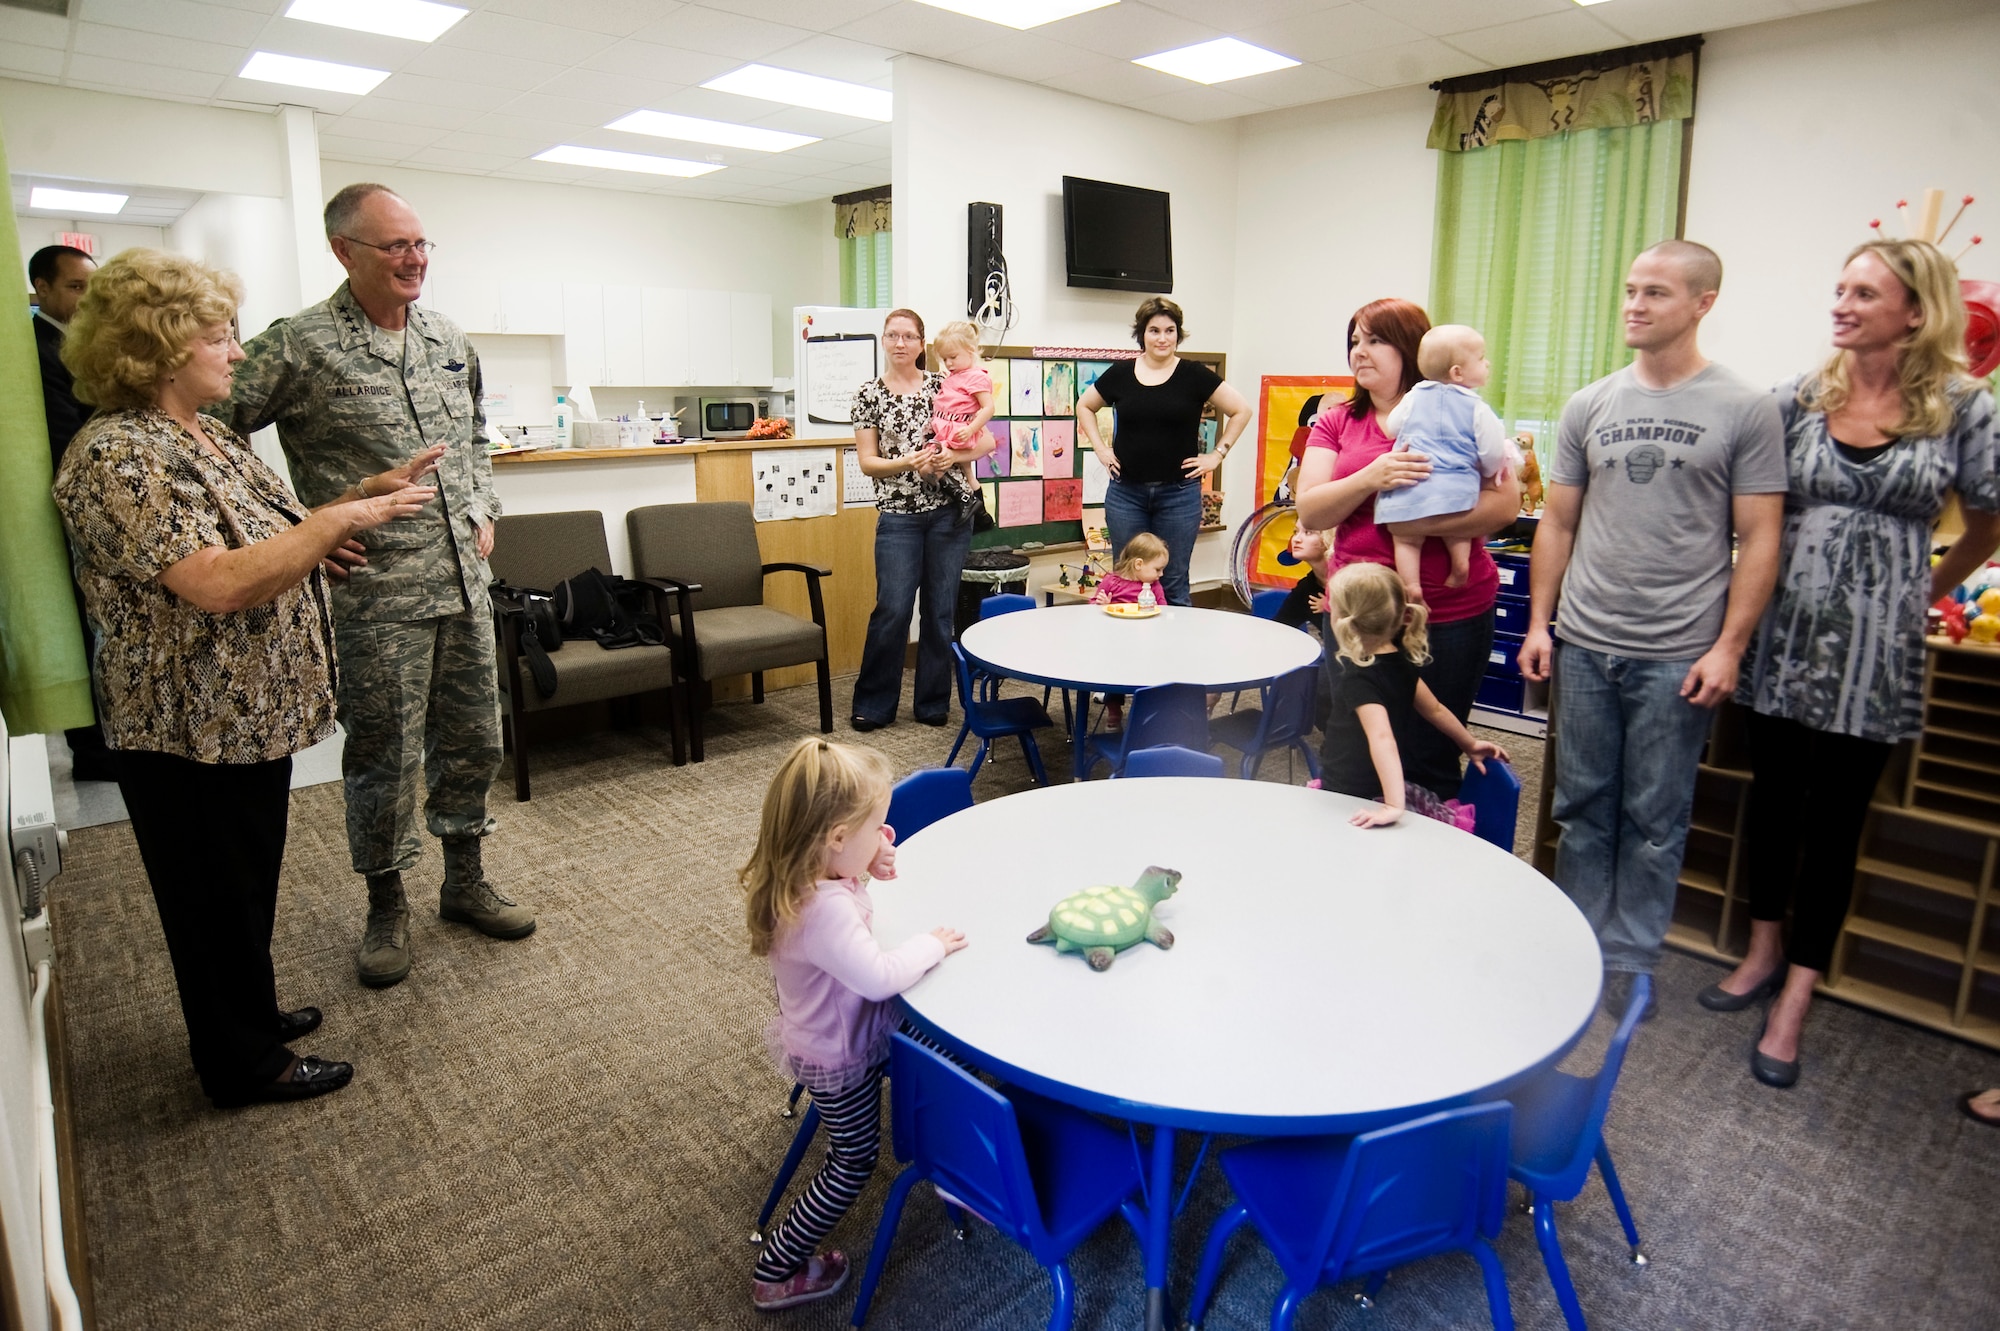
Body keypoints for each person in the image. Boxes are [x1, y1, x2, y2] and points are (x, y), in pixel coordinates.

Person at [51, 248, 440, 1107]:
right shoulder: (121, 455)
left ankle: (249, 1012)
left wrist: (354, 497)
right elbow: (218, 580)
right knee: (210, 899)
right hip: (188, 726)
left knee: (244, 883)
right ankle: (242, 1062)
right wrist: (340, 519)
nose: (236, 352)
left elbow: (275, 529)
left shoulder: (208, 434)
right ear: (157, 348)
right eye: (220, 337)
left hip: (249, 719)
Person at [1707, 239, 2000, 1088]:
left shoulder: (1963, 406)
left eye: (1863, 292)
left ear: (1916, 311)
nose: (1841, 304)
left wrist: (1927, 589)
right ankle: (1762, 950)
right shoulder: (1801, 394)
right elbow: (1741, 493)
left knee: (1837, 822)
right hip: (1781, 633)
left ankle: (1799, 990)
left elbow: (1987, 520)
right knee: (1774, 802)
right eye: (1839, 289)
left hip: (1876, 653)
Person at [227, 182, 533, 991]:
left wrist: (481, 504)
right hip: (375, 596)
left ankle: (464, 881)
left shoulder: (444, 337)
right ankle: (386, 904)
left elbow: (472, 430)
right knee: (385, 756)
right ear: (344, 252)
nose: (414, 258)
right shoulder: (301, 343)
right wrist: (298, 528)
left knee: (475, 740)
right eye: (394, 246)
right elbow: (206, 431)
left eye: (420, 243)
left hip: (463, 583)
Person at [1518, 240, 1788, 1021]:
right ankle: (1575, 948)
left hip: (1678, 650)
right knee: (1581, 804)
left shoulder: (1744, 407)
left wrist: (1729, 645)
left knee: (1654, 818)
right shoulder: (1591, 403)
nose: (1634, 304)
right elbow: (1558, 522)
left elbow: (1760, 537)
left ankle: (1631, 958)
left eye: (1656, 293)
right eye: (1631, 290)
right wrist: (1541, 621)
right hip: (1587, 639)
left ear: (1702, 303)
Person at [743, 738, 967, 1310]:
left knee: (941, 1044)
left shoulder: (804, 876)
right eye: (877, 828)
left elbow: (848, 894)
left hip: (835, 1028)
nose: (885, 836)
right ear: (836, 838)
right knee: (853, 1161)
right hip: (843, 1052)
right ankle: (776, 1270)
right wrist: (930, 944)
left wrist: (869, 863)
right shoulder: (825, 911)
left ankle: (950, 1153)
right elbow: (877, 975)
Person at [1294, 299, 1522, 798]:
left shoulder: (1463, 410)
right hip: (1359, 613)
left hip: (1451, 610)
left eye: (1376, 340)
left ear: (1412, 350)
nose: (1360, 352)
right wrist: (1372, 478)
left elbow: (1505, 505)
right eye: (1354, 340)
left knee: (1432, 751)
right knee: (1352, 743)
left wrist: (1411, 522)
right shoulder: (1336, 421)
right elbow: (1311, 510)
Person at [850, 308, 995, 732]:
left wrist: (954, 455)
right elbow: (867, 462)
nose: (900, 343)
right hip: (898, 516)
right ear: (883, 340)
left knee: (939, 612)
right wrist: (906, 463)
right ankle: (874, 704)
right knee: (893, 610)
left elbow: (985, 440)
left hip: (949, 515)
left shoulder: (946, 382)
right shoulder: (868, 394)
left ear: (921, 343)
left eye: (909, 336)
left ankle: (933, 702)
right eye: (892, 335)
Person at [1077, 297, 1251, 606]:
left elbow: (1241, 410)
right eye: (1154, 330)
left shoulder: (1194, 375)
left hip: (1179, 495)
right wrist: (1101, 449)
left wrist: (1217, 454)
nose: (1162, 338)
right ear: (1142, 334)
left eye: (1170, 331)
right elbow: (1085, 406)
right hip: (1126, 492)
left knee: (1171, 580)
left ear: (1178, 334)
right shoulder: (1121, 373)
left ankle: (1173, 652)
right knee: (1126, 575)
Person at [1320, 563, 1507, 829]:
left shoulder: (1358, 676)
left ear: (1343, 619)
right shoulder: (1401, 662)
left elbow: (1382, 738)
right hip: (1375, 785)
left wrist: (1394, 805)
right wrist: (1470, 744)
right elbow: (1436, 710)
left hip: (1350, 791)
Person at [30, 243, 115, 781]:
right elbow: (65, 439)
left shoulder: (79, 346)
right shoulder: (38, 351)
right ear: (41, 288)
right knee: (80, 626)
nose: (86, 298)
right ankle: (91, 750)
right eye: (74, 286)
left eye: (92, 286)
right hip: (73, 505)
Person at [1378, 323, 1510, 601]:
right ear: (1457, 372)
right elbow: (1493, 449)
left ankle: (1411, 585)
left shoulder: (1414, 396)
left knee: (1405, 540)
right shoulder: (1476, 407)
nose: (1488, 363)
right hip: (1454, 486)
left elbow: (1392, 427)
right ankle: (1460, 567)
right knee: (1458, 530)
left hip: (1410, 487)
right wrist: (1487, 469)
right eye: (1481, 358)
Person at [928, 319, 995, 518]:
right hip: (948, 426)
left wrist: (972, 428)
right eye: (944, 359)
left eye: (953, 357)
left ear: (970, 351)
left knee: (933, 468)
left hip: (959, 430)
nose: (948, 364)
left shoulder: (976, 377)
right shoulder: (953, 375)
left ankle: (965, 501)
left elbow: (988, 407)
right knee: (967, 474)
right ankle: (976, 506)